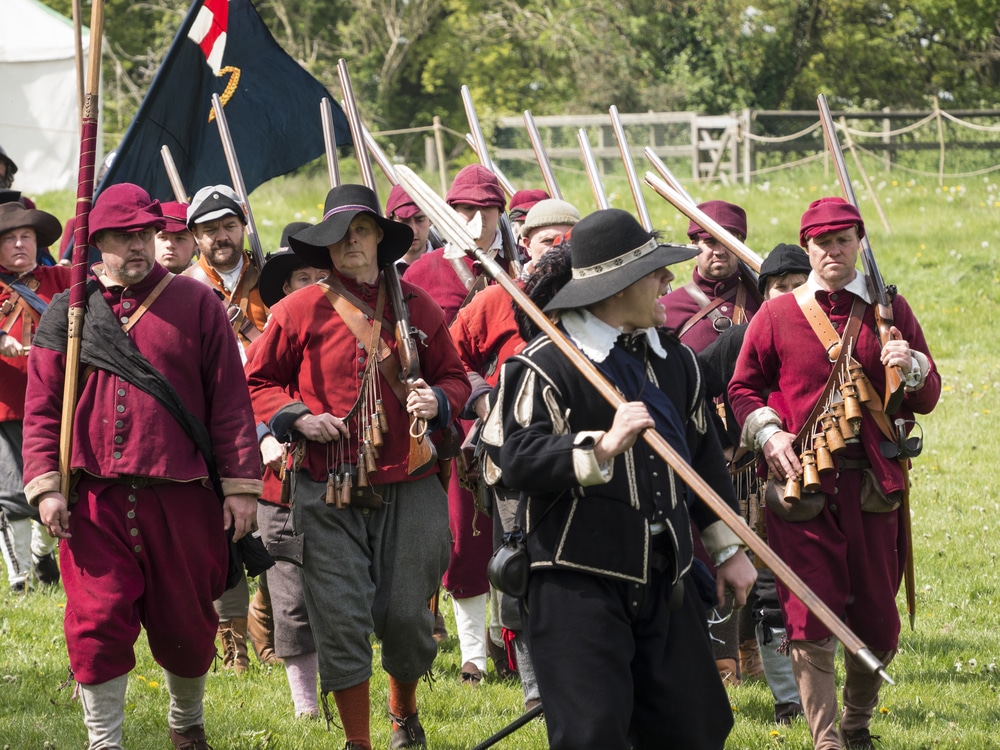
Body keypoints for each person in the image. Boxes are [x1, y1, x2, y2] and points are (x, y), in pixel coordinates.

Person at [484, 208, 756, 749]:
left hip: (664, 578)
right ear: (618, 287)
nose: (669, 281)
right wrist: (600, 446)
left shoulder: (674, 362)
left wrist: (728, 550)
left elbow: (701, 460)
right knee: (593, 735)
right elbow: (515, 459)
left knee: (694, 727)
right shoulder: (544, 365)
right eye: (655, 273)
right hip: (575, 581)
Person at [22, 183, 262, 750]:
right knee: (96, 621)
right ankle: (104, 741)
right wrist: (46, 486)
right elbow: (42, 407)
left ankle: (186, 725)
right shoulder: (71, 311)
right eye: (122, 236)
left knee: (186, 625)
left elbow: (230, 402)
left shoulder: (197, 304)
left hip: (182, 499)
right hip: (95, 500)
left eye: (144, 234)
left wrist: (240, 487)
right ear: (95, 242)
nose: (137, 246)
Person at [245, 184, 470, 750]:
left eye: (362, 231)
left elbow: (456, 378)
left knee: (405, 618)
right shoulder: (296, 309)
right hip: (325, 482)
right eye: (340, 235)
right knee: (340, 618)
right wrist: (296, 417)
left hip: (411, 481)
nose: (352, 243)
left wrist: (437, 401)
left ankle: (403, 715)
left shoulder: (417, 306)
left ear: (378, 239)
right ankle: (359, 743)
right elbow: (256, 383)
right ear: (326, 247)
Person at [729, 197, 940, 749]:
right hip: (803, 487)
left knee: (877, 621)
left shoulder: (889, 309)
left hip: (872, 487)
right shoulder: (776, 315)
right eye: (822, 242)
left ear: (858, 244)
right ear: (807, 248)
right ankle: (826, 741)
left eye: (843, 240)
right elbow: (742, 388)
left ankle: (856, 724)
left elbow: (929, 395)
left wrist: (910, 367)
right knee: (808, 615)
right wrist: (769, 433)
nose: (833, 251)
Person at [402, 164, 509, 687]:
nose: (471, 219)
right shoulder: (420, 276)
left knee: (513, 536)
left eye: (482, 210)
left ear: (499, 214)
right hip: (448, 425)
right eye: (461, 209)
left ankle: (506, 638)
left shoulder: (520, 273)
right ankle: (473, 656)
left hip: (515, 423)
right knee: (465, 540)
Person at [697, 242, 812, 724]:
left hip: (817, 478)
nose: (787, 295)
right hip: (752, 485)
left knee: (815, 587)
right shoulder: (735, 341)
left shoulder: (822, 338)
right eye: (778, 288)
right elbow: (694, 392)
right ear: (763, 293)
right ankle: (788, 698)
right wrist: (725, 441)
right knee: (768, 592)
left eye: (796, 286)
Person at [245, 230, 327, 718]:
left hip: (343, 482)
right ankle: (306, 708)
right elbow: (245, 393)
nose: (315, 285)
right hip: (280, 485)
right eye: (303, 277)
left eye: (322, 276)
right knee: (290, 596)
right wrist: (264, 436)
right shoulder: (274, 332)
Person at [0, 202, 69, 592]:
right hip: (7, 406)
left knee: (57, 483)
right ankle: (19, 578)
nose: (19, 244)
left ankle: (44, 555)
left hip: (59, 402)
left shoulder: (60, 278)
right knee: (12, 493)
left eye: (25, 236)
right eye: (9, 238)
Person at [660, 199, 762, 353]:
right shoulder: (666, 310)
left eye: (728, 242)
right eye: (710, 241)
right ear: (694, 245)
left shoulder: (761, 303)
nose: (719, 251)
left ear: (741, 246)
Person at [184, 184, 267, 347]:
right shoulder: (181, 290)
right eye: (210, 229)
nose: (222, 237)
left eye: (230, 227)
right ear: (195, 234)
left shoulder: (270, 278)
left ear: (243, 226)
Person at [518, 198, 580, 276]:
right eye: (548, 241)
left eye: (567, 240)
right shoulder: (507, 288)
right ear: (528, 245)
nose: (559, 249)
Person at [385, 185, 434, 272]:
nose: (413, 231)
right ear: (390, 223)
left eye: (420, 220)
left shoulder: (452, 262)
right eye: (404, 221)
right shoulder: (377, 272)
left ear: (430, 220)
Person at [154, 201, 198, 274]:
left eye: (180, 238)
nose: (170, 245)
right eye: (163, 237)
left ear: (196, 242)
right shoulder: (133, 281)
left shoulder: (211, 282)